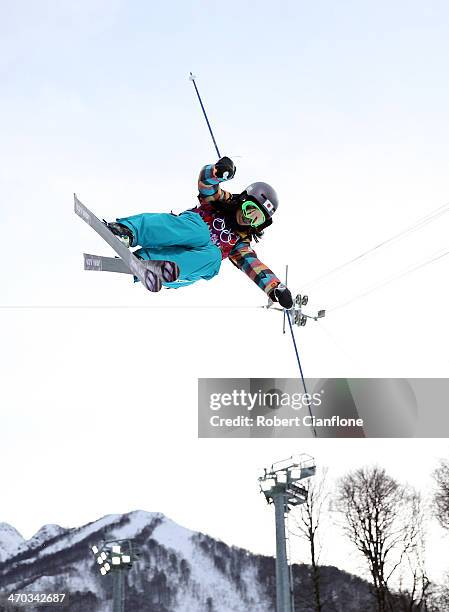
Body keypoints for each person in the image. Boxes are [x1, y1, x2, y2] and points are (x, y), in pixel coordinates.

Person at [105, 157, 293, 308]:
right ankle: (129, 231)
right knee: (200, 230)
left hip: (180, 272)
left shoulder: (239, 244)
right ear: (243, 200)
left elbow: (255, 266)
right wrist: (218, 172)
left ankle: (151, 264)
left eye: (256, 219)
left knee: (214, 257)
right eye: (249, 209)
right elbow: (206, 183)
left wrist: (274, 288)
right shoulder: (220, 203)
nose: (248, 219)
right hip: (178, 235)